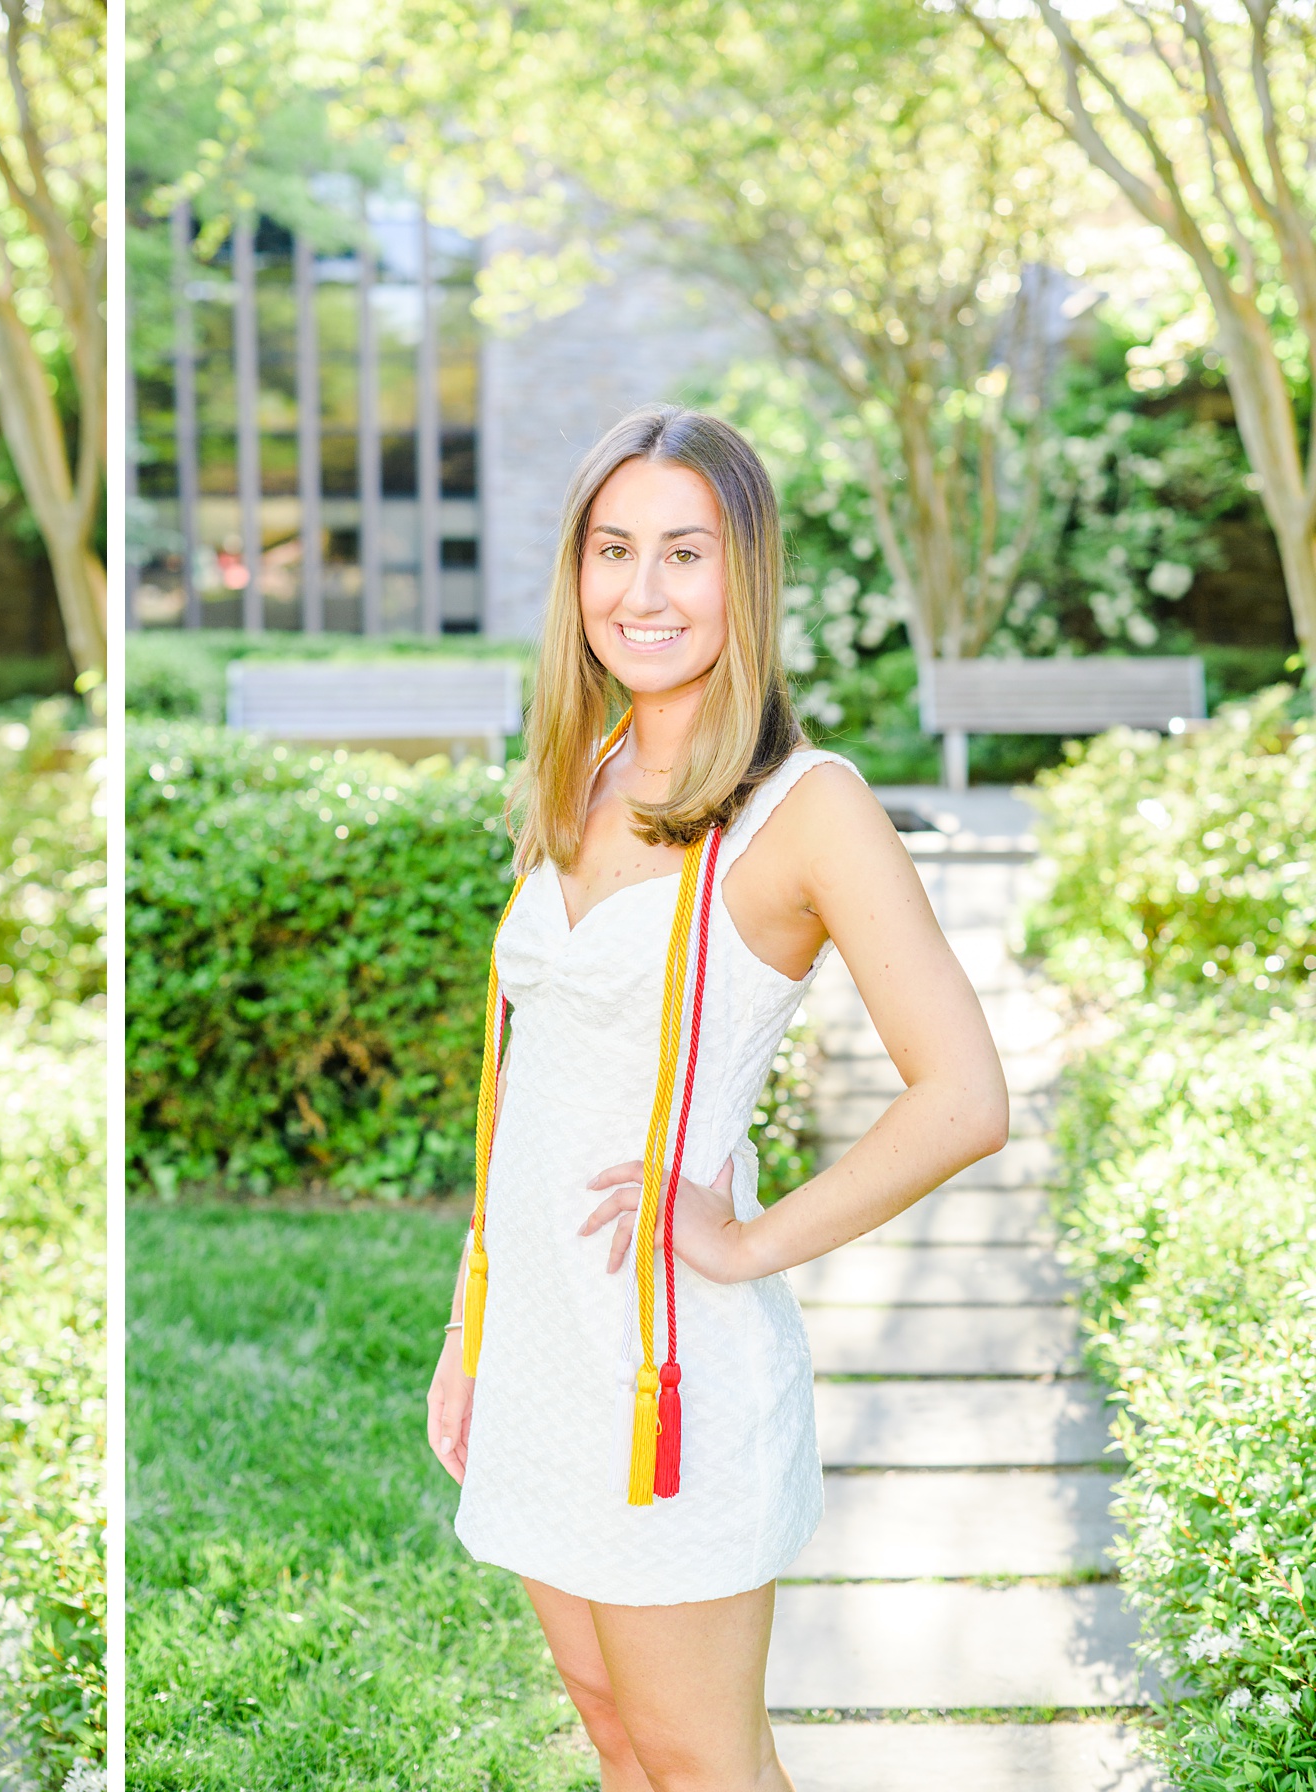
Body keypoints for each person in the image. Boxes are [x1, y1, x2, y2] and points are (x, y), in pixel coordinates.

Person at [425, 407, 1008, 1791]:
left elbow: (965, 1097)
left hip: (666, 1368)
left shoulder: (807, 809)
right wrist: (472, 1325)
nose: (643, 591)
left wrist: (745, 1239)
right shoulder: (584, 766)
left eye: (685, 553)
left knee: (699, 1764)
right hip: (542, 1348)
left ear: (745, 577)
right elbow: (534, 1086)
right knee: (619, 1733)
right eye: (612, 549)